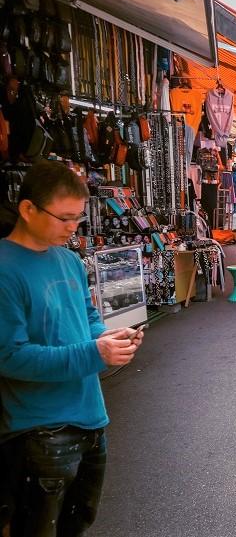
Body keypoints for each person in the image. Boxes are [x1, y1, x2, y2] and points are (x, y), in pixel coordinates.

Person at [0, 161, 143, 536]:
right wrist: (95, 353)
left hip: (90, 417)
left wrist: (109, 338)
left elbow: (87, 317)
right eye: (64, 218)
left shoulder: (69, 260)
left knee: (77, 524)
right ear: (27, 209)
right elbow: (9, 357)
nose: (72, 228)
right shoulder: (4, 268)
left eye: (77, 219)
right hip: (39, 430)